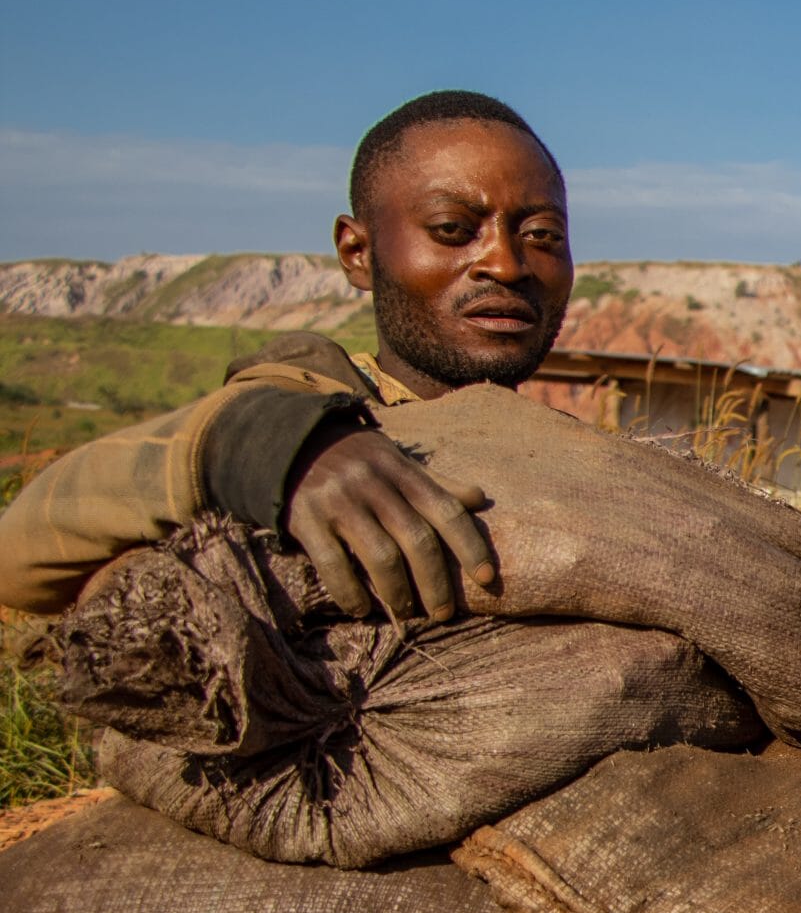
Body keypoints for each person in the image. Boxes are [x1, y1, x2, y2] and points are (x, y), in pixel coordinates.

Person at [0, 89, 573, 619]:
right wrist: (275, 451)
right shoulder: (308, 403)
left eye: (542, 235)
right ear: (356, 252)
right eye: (453, 228)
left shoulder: (573, 451)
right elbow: (19, 555)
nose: (506, 263)